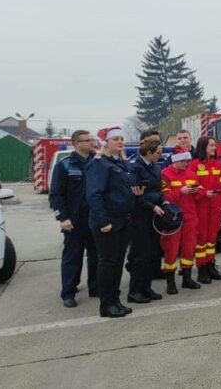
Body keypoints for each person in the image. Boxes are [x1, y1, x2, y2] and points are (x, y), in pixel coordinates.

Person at [86, 126, 142, 318]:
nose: (120, 142)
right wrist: (103, 221)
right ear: (106, 142)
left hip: (122, 220)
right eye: (115, 139)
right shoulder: (99, 163)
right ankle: (106, 304)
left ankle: (115, 300)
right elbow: (94, 195)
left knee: (117, 262)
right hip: (108, 221)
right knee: (107, 263)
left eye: (122, 139)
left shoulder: (120, 163)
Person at [49, 129, 97, 308]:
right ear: (76, 144)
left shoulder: (97, 163)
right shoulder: (65, 165)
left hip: (94, 219)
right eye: (87, 140)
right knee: (72, 257)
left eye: (91, 140)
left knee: (96, 256)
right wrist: (63, 218)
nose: (91, 143)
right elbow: (55, 195)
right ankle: (68, 292)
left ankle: (95, 287)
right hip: (74, 221)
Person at [127, 139, 166, 304]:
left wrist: (164, 201)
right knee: (141, 255)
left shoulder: (155, 166)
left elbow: (157, 189)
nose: (160, 155)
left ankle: (146, 287)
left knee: (151, 253)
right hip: (140, 215)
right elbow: (136, 195)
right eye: (158, 152)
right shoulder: (135, 167)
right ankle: (135, 291)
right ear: (148, 153)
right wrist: (151, 206)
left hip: (154, 215)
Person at [160, 146, 203, 293]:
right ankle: (170, 283)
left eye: (188, 160)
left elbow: (198, 196)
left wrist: (198, 192)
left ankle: (187, 279)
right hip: (173, 218)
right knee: (171, 250)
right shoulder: (165, 174)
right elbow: (164, 197)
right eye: (184, 161)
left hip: (190, 217)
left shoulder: (191, 173)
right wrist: (181, 191)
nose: (187, 163)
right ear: (176, 161)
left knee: (189, 248)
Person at [190, 136, 221, 283]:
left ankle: (211, 265)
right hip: (201, 206)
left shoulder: (218, 165)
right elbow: (193, 188)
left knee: (212, 238)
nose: (214, 148)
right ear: (203, 146)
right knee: (202, 239)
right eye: (211, 145)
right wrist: (204, 194)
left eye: (214, 145)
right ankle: (201, 269)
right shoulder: (194, 165)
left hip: (215, 207)